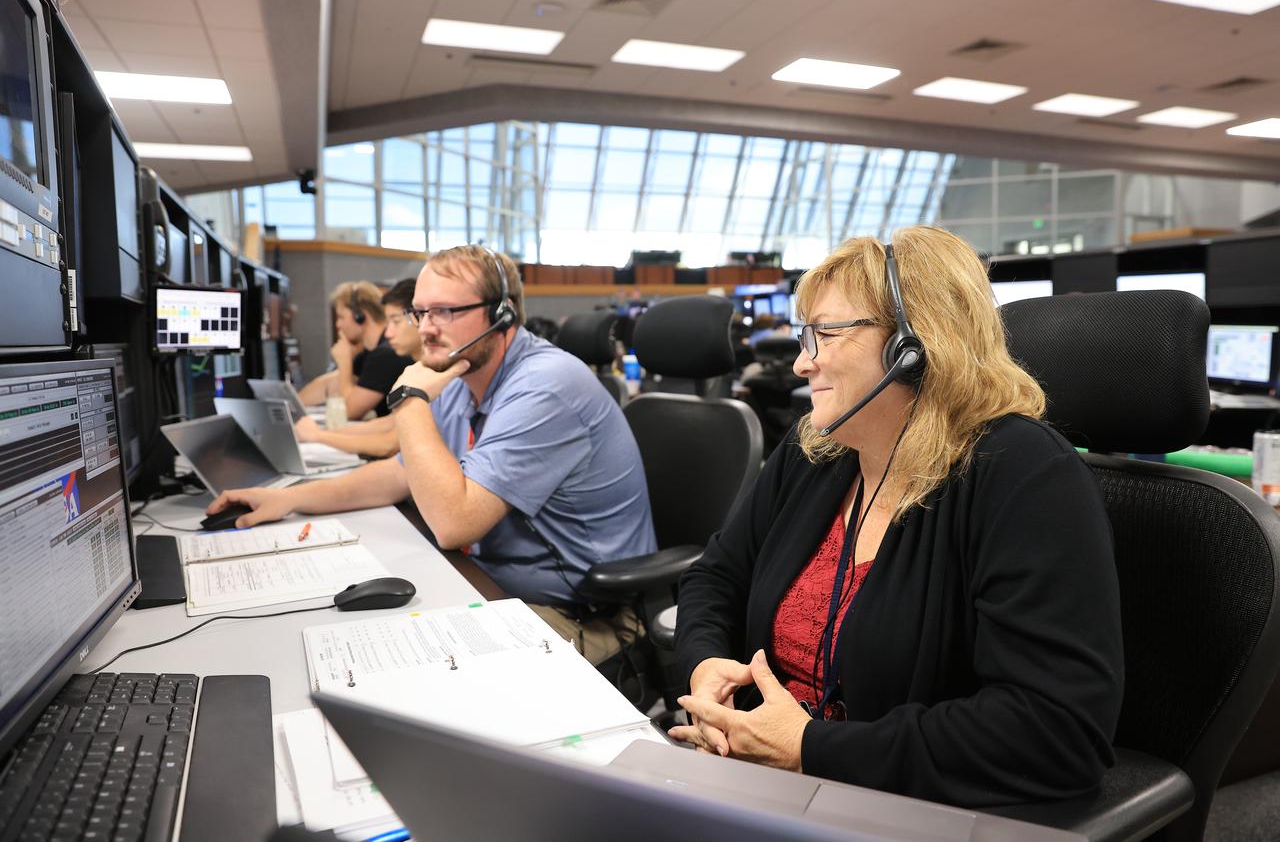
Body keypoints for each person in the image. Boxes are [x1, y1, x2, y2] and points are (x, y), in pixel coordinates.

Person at [672, 226, 1124, 808]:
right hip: (769, 786)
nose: (803, 363)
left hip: (909, 807)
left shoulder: (1024, 474)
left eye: (826, 334)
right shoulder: (817, 450)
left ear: (912, 347)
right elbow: (716, 576)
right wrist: (705, 663)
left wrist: (810, 748)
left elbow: (1053, 731)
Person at [207, 245, 657, 664]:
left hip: (580, 616)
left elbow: (453, 523)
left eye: (444, 311)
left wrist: (409, 398)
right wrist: (288, 499)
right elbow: (398, 473)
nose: (425, 328)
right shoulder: (463, 374)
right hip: (488, 582)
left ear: (502, 314)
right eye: (419, 312)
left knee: (384, 663)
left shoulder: (546, 385)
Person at [293, 279, 421, 458]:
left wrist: (318, 435)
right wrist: (293, 407)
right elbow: (329, 383)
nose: (338, 325)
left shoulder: (387, 354)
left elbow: (350, 412)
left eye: (341, 317)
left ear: (360, 316)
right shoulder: (374, 353)